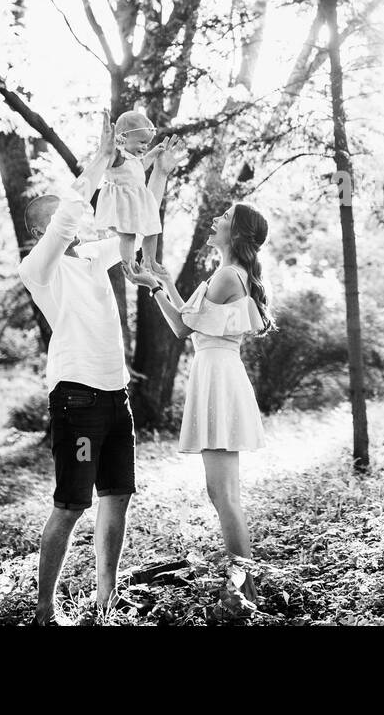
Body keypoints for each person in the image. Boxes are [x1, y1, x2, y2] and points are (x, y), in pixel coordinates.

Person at [16, 111, 178, 625]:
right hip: (77, 399)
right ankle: (44, 610)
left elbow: (138, 221)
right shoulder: (39, 269)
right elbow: (69, 214)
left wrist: (154, 172)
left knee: (118, 496)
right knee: (71, 504)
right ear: (44, 227)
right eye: (73, 213)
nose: (86, 215)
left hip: (114, 396)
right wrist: (100, 158)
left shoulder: (90, 258)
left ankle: (104, 600)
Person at [145, 203, 274, 604]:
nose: (214, 219)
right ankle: (244, 587)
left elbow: (183, 325)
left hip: (218, 378)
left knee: (224, 495)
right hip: (218, 372)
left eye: (223, 217)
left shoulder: (225, 276)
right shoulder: (229, 275)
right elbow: (191, 323)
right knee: (223, 493)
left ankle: (243, 591)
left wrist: (156, 285)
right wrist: (163, 282)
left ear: (234, 233)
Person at [93, 109, 168, 276]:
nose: (144, 146)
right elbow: (106, 159)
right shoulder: (118, 155)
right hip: (122, 206)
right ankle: (129, 265)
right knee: (128, 237)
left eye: (147, 143)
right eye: (142, 142)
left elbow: (142, 165)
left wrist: (154, 152)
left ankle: (150, 261)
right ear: (124, 137)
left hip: (135, 204)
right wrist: (111, 145)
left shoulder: (134, 158)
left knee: (153, 227)